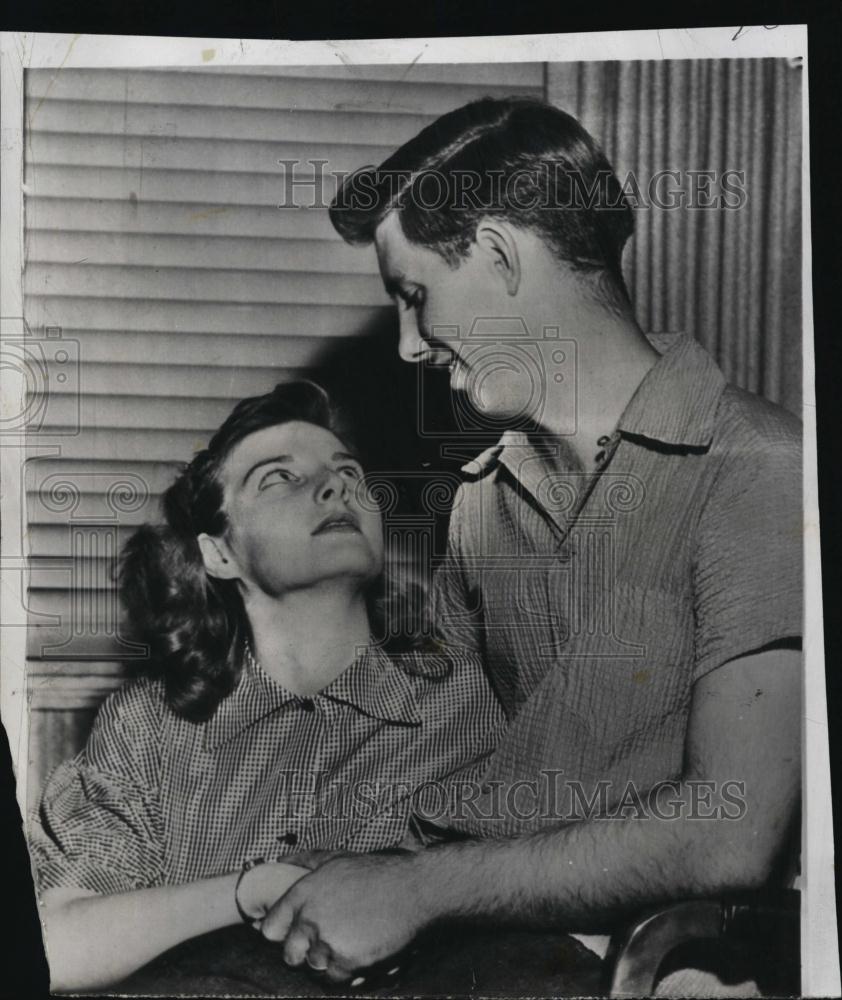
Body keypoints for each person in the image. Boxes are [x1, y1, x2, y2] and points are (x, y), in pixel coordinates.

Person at [257, 97, 803, 992]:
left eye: (414, 296)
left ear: (505, 256)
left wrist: (417, 890)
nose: (404, 345)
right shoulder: (479, 509)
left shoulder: (758, 467)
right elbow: (442, 759)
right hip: (476, 943)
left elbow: (731, 832)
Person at [29, 380, 504, 992]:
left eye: (349, 473)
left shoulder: (467, 704)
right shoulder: (149, 725)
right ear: (219, 553)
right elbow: (54, 945)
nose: (336, 488)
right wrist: (253, 889)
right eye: (278, 478)